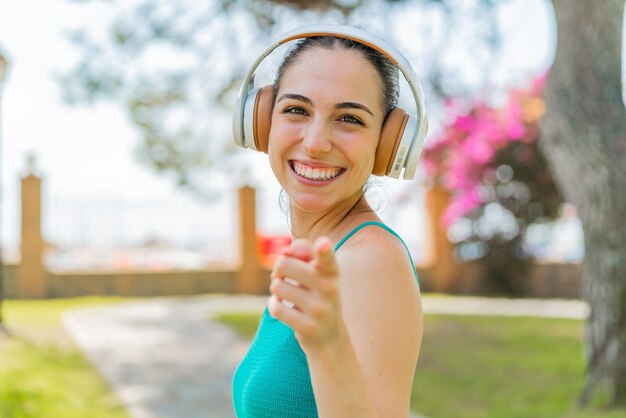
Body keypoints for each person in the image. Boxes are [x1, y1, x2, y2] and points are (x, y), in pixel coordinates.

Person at [232, 24, 425, 418]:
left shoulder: (371, 261)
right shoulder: (324, 255)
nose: (316, 142)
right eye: (297, 110)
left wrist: (328, 346)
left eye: (350, 119)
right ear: (263, 122)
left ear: (387, 145)